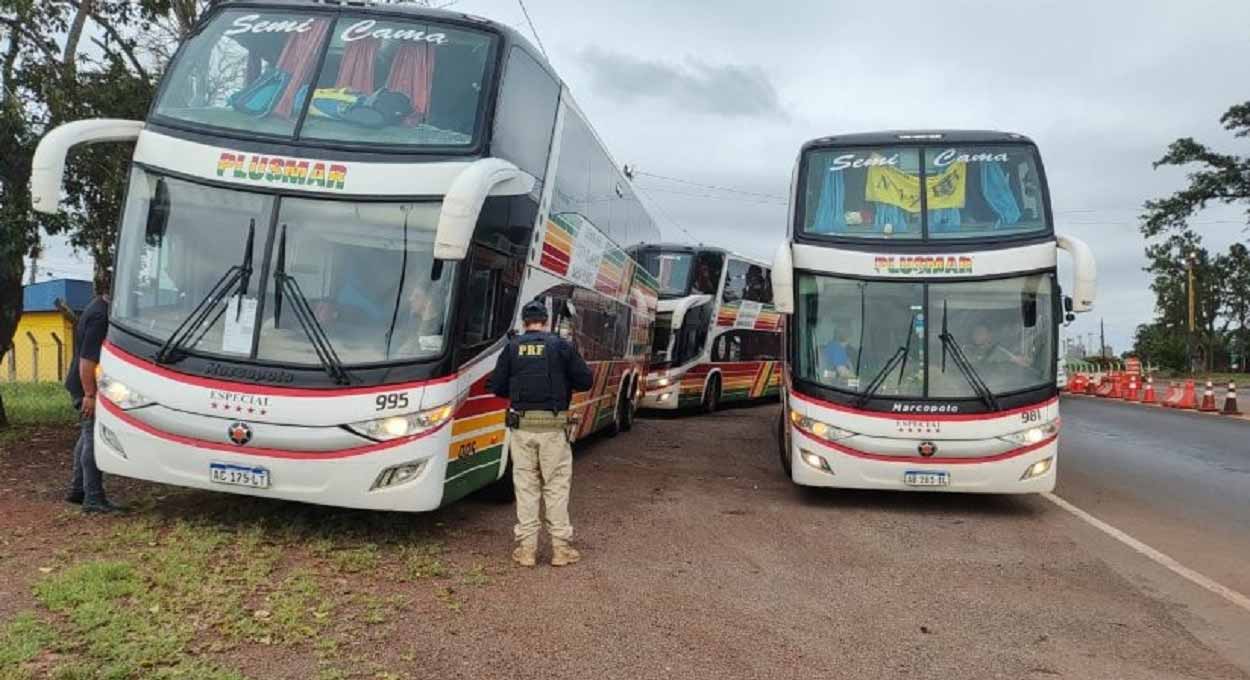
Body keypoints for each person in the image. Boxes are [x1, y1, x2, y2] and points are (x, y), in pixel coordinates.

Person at [490, 300, 593, 568]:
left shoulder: (512, 347)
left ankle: (527, 550)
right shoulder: (561, 345)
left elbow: (497, 386)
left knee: (526, 487)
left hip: (522, 428)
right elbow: (585, 381)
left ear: (524, 322)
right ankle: (561, 549)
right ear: (546, 321)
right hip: (553, 429)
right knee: (555, 486)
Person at [64, 271, 122, 514]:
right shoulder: (100, 316)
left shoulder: (98, 307)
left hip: (82, 383)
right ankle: (93, 498)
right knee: (93, 437)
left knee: (86, 435)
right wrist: (90, 395)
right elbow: (87, 359)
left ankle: (78, 489)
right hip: (86, 385)